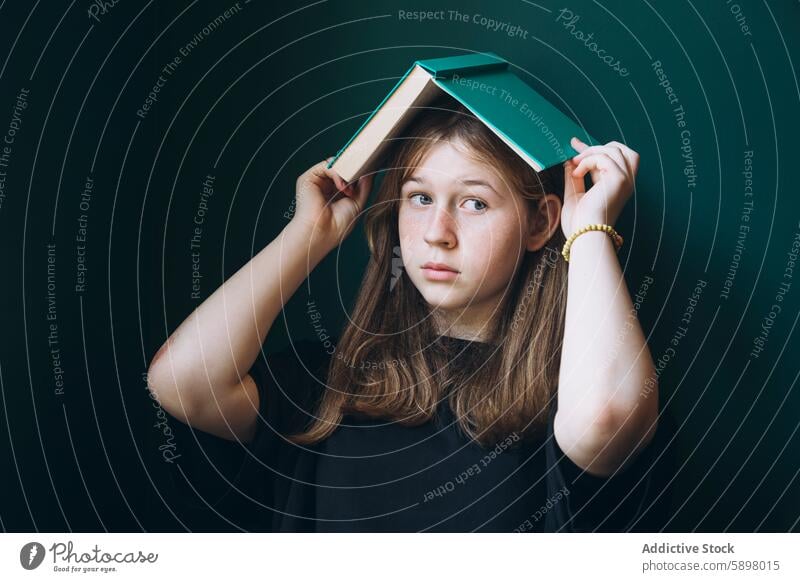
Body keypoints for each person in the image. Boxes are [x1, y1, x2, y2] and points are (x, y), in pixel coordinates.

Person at [147, 94, 671, 532]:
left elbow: (605, 421)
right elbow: (182, 380)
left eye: (475, 203)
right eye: (419, 198)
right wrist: (309, 235)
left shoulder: (573, 396)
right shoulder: (327, 388)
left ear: (540, 224)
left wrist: (588, 230)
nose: (436, 232)